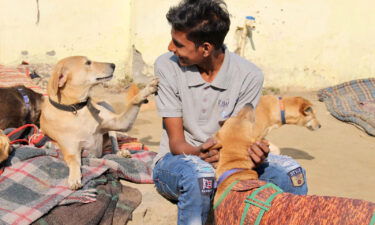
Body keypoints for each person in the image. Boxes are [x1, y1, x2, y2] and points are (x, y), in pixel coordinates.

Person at [152, 0, 308, 224]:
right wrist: (198, 153)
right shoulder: (167, 65)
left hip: (229, 165)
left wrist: (255, 152)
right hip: (179, 160)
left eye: (178, 43)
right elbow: (176, 143)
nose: (170, 48)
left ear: (206, 48)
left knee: (292, 174)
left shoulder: (249, 75)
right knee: (201, 178)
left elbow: (241, 138)